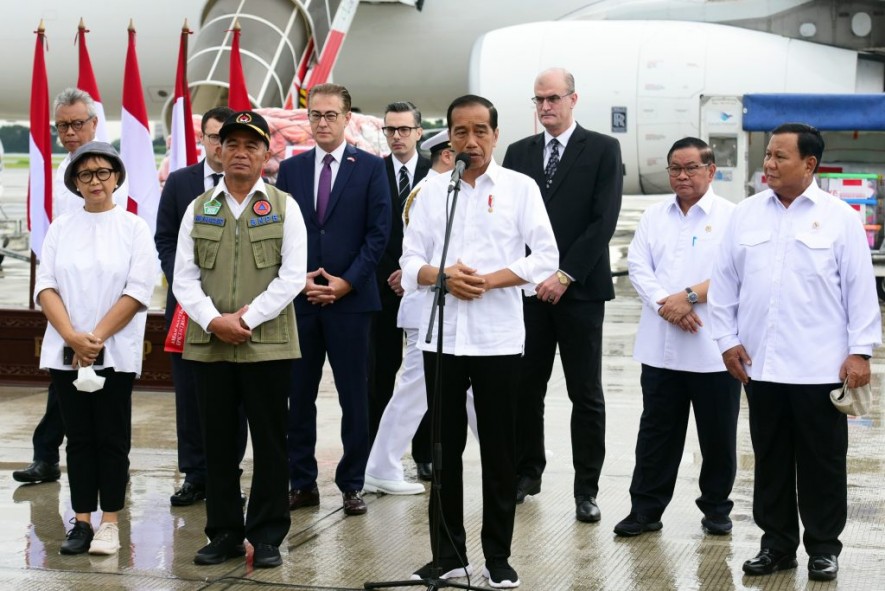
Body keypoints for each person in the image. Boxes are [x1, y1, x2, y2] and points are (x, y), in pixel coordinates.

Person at [709, 123, 881, 582]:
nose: (768, 164)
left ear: (810, 164)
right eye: (767, 155)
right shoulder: (744, 215)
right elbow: (724, 285)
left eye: (780, 157)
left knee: (823, 463)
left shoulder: (839, 217)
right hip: (760, 365)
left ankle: (824, 548)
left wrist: (860, 352)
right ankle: (777, 545)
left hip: (819, 366)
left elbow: (860, 290)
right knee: (770, 461)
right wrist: (725, 341)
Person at [401, 94, 558, 588]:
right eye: (460, 132)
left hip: (498, 338)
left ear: (495, 134)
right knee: (443, 449)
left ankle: (498, 556)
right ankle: (448, 555)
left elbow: (546, 257)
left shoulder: (520, 188)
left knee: (499, 451)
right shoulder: (431, 192)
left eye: (480, 131)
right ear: (448, 135)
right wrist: (440, 276)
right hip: (442, 337)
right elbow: (409, 262)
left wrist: (490, 280)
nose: (471, 141)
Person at [172, 110, 307, 568]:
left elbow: (291, 278)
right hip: (210, 345)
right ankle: (225, 532)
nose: (240, 153)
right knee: (218, 444)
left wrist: (246, 319)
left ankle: (265, 535)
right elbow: (183, 279)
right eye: (231, 144)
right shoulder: (199, 207)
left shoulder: (285, 207)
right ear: (218, 151)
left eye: (251, 145)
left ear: (266, 154)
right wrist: (214, 321)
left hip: (266, 345)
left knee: (270, 442)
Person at [502, 67, 622, 522]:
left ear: (574, 99)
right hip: (529, 292)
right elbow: (509, 224)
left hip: (580, 292)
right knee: (524, 389)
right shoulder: (519, 153)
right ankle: (526, 472)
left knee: (584, 394)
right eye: (539, 100)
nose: (546, 107)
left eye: (553, 98)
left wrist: (565, 274)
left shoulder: (603, 150)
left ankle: (585, 489)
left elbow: (602, 221)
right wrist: (528, 277)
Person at [35, 141, 157, 556]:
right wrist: (72, 336)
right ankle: (82, 520)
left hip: (115, 351)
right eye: (85, 174)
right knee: (79, 438)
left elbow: (138, 290)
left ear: (117, 177)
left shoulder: (133, 228)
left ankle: (110, 522)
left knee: (111, 438)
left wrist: (96, 339)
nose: (95, 181)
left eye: (103, 172)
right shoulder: (61, 228)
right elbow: (45, 285)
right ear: (75, 183)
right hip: (67, 351)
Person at [616, 137, 740, 537]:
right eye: (674, 168)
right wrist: (665, 305)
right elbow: (637, 266)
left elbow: (735, 275)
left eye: (691, 168)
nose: (682, 176)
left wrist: (688, 298)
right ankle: (646, 510)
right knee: (656, 434)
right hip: (661, 347)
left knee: (717, 435)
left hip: (713, 347)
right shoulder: (655, 215)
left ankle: (717, 508)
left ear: (711, 171)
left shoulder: (732, 217)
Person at [276, 83, 390, 517]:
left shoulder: (371, 168)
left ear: (347, 118)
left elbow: (378, 235)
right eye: (315, 115)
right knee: (297, 396)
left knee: (354, 397)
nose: (322, 123)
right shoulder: (292, 170)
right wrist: (298, 280)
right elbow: (286, 235)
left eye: (330, 115)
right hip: (302, 300)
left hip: (351, 303)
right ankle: (302, 482)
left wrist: (347, 282)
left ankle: (352, 483)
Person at [13, 88, 128, 486]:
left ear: (95, 123)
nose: (69, 132)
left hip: (104, 310)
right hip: (66, 306)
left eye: (77, 124)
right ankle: (48, 456)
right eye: (62, 126)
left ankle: (98, 469)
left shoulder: (110, 172)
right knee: (67, 391)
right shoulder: (67, 172)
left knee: (97, 407)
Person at [365, 130, 481, 496]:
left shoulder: (448, 191)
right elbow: (426, 253)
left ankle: (516, 455)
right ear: (447, 156)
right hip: (428, 310)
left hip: (445, 308)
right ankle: (381, 465)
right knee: (414, 392)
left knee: (473, 391)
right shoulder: (430, 193)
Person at [155, 106, 249, 507]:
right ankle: (195, 473)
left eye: (223, 138)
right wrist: (190, 285)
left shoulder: (253, 185)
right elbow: (165, 241)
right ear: (205, 140)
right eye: (212, 137)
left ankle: (230, 470)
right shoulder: (180, 183)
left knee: (237, 395)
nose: (218, 145)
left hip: (237, 309)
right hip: (188, 308)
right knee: (191, 396)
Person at [370, 101, 433, 481]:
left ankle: (423, 453)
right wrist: (390, 273)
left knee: (422, 376)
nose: (397, 136)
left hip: (421, 289)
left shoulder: (436, 171)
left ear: (418, 132)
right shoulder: (372, 173)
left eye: (404, 129)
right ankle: (377, 455)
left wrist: (409, 273)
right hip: (379, 290)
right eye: (390, 130)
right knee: (378, 377)